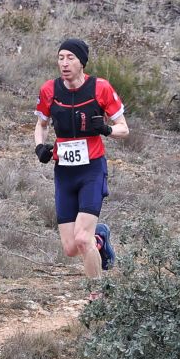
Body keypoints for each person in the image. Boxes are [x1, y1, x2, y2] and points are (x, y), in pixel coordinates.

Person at [33, 38, 129, 280]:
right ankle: (100, 237)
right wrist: (39, 147)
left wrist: (106, 130)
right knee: (70, 248)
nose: (64, 63)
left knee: (82, 239)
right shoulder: (49, 90)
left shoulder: (101, 88)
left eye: (70, 58)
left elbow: (123, 129)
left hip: (92, 170)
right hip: (64, 172)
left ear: (82, 62)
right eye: (60, 58)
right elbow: (41, 125)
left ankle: (96, 297)